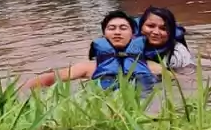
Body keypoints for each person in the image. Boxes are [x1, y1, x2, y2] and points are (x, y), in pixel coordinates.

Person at [23, 10, 162, 91]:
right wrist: (21, 91)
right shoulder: (89, 67)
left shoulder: (151, 67)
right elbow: (50, 78)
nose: (117, 32)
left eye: (123, 28)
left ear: (133, 35)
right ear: (104, 35)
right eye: (111, 28)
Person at [135, 6, 195, 75]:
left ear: (170, 33)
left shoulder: (178, 54)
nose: (156, 32)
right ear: (141, 27)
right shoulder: (129, 43)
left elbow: (187, 78)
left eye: (163, 29)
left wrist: (163, 72)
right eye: (151, 26)